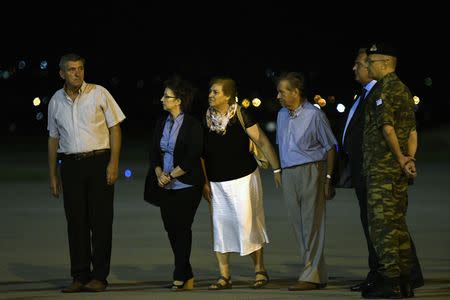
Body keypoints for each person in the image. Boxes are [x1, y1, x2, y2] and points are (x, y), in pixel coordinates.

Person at [343, 48, 424, 294]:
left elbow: (387, 127)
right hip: (392, 170)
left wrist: (401, 158)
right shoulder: (402, 89)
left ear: (386, 62)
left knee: (383, 227)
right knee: (397, 225)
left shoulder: (385, 89)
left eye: (371, 61)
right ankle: (404, 281)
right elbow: (411, 131)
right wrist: (409, 158)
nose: (369, 65)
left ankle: (390, 281)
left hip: (382, 170)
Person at [47, 53, 125, 293]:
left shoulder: (99, 93)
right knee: (76, 222)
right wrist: (53, 175)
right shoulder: (55, 101)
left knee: (101, 222)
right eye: (71, 69)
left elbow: (115, 128)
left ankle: (99, 276)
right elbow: (53, 139)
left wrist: (113, 163)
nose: (77, 73)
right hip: (70, 165)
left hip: (98, 162)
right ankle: (79, 276)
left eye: (80, 68)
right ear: (61, 74)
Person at [202, 77, 281, 290]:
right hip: (217, 183)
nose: (211, 95)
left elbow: (262, 140)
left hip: (244, 179)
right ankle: (224, 276)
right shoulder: (206, 118)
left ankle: (259, 270)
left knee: (248, 224)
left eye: (216, 92)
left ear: (227, 96)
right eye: (210, 91)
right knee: (220, 227)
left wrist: (277, 168)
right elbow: (202, 155)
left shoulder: (240, 114)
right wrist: (205, 182)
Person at [275, 72, 337, 291]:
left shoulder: (314, 115)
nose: (278, 96)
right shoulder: (282, 114)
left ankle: (310, 275)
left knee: (312, 225)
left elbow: (330, 147)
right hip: (289, 173)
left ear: (295, 92)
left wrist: (328, 179)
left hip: (312, 170)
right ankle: (315, 273)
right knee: (298, 225)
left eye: (282, 91)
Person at [146, 77, 203, 291]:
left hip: (187, 184)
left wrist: (171, 175)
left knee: (182, 227)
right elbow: (153, 152)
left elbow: (192, 156)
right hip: (165, 184)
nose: (162, 99)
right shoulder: (162, 122)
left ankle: (179, 274)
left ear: (178, 100)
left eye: (166, 96)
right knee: (170, 228)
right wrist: (160, 173)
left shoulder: (192, 124)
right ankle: (186, 272)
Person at [342, 48, 379, 291]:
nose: (354, 68)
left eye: (358, 64)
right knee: (370, 227)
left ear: (370, 66)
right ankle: (376, 274)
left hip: (373, 173)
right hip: (361, 172)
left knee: (378, 229)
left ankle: (382, 276)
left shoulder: (378, 93)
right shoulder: (364, 94)